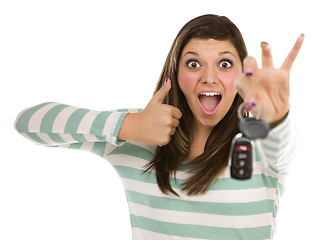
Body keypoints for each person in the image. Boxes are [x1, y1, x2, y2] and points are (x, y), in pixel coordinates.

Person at [14, 14, 304, 240]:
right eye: (194, 64)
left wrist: (276, 117)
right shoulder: (134, 134)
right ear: (175, 74)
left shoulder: (261, 149)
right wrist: (128, 125)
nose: (209, 77)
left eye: (225, 65)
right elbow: (29, 123)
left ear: (242, 76)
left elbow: (282, 142)